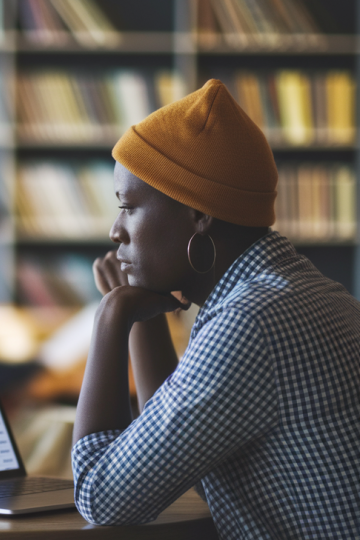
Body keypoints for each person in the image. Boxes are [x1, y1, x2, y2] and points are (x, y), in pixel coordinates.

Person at [72, 79, 360, 537]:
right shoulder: (303, 294)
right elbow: (192, 468)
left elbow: (103, 497)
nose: (115, 231)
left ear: (199, 213)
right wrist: (139, 324)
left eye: (128, 207)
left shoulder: (251, 323)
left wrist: (110, 319)